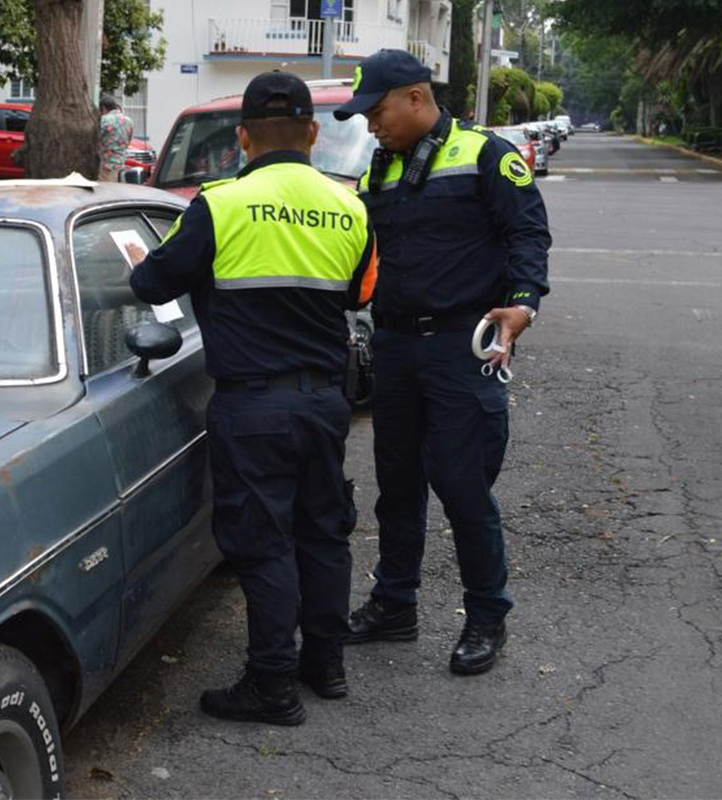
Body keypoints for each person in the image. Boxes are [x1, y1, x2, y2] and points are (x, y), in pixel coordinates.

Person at [130, 71, 378, 725]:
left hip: (254, 405)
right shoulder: (351, 209)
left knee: (264, 544)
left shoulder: (220, 205)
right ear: (314, 134)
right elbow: (358, 296)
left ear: (242, 137)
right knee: (324, 535)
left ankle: (272, 686)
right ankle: (324, 666)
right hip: (326, 403)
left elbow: (151, 283)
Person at [333, 49, 551, 674]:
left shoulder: (485, 154)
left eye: (375, 113)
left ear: (414, 98)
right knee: (397, 489)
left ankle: (487, 617)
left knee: (463, 489)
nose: (370, 126)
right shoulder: (381, 169)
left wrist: (522, 305)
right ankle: (395, 604)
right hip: (397, 346)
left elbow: (527, 234)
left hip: (462, 345)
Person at [98, 94, 134, 182]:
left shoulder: (104, 120)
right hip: (121, 165)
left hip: (107, 165)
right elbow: (129, 141)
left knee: (106, 192)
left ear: (103, 108)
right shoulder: (129, 121)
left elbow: (96, 139)